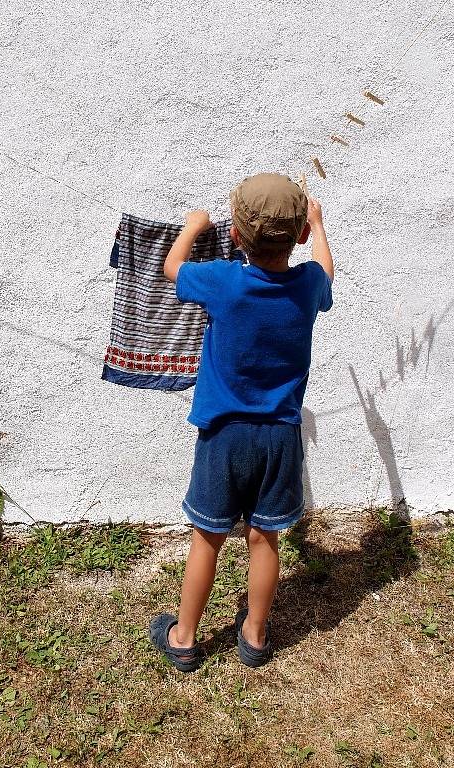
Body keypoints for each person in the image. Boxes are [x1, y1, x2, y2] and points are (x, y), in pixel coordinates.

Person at [149, 172, 334, 671]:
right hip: (280, 436)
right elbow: (325, 270)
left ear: (234, 236)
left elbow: (172, 268)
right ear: (296, 236)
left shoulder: (222, 281)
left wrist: (193, 225)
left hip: (223, 436)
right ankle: (253, 635)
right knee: (264, 536)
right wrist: (318, 226)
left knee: (208, 536)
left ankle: (185, 637)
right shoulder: (308, 287)